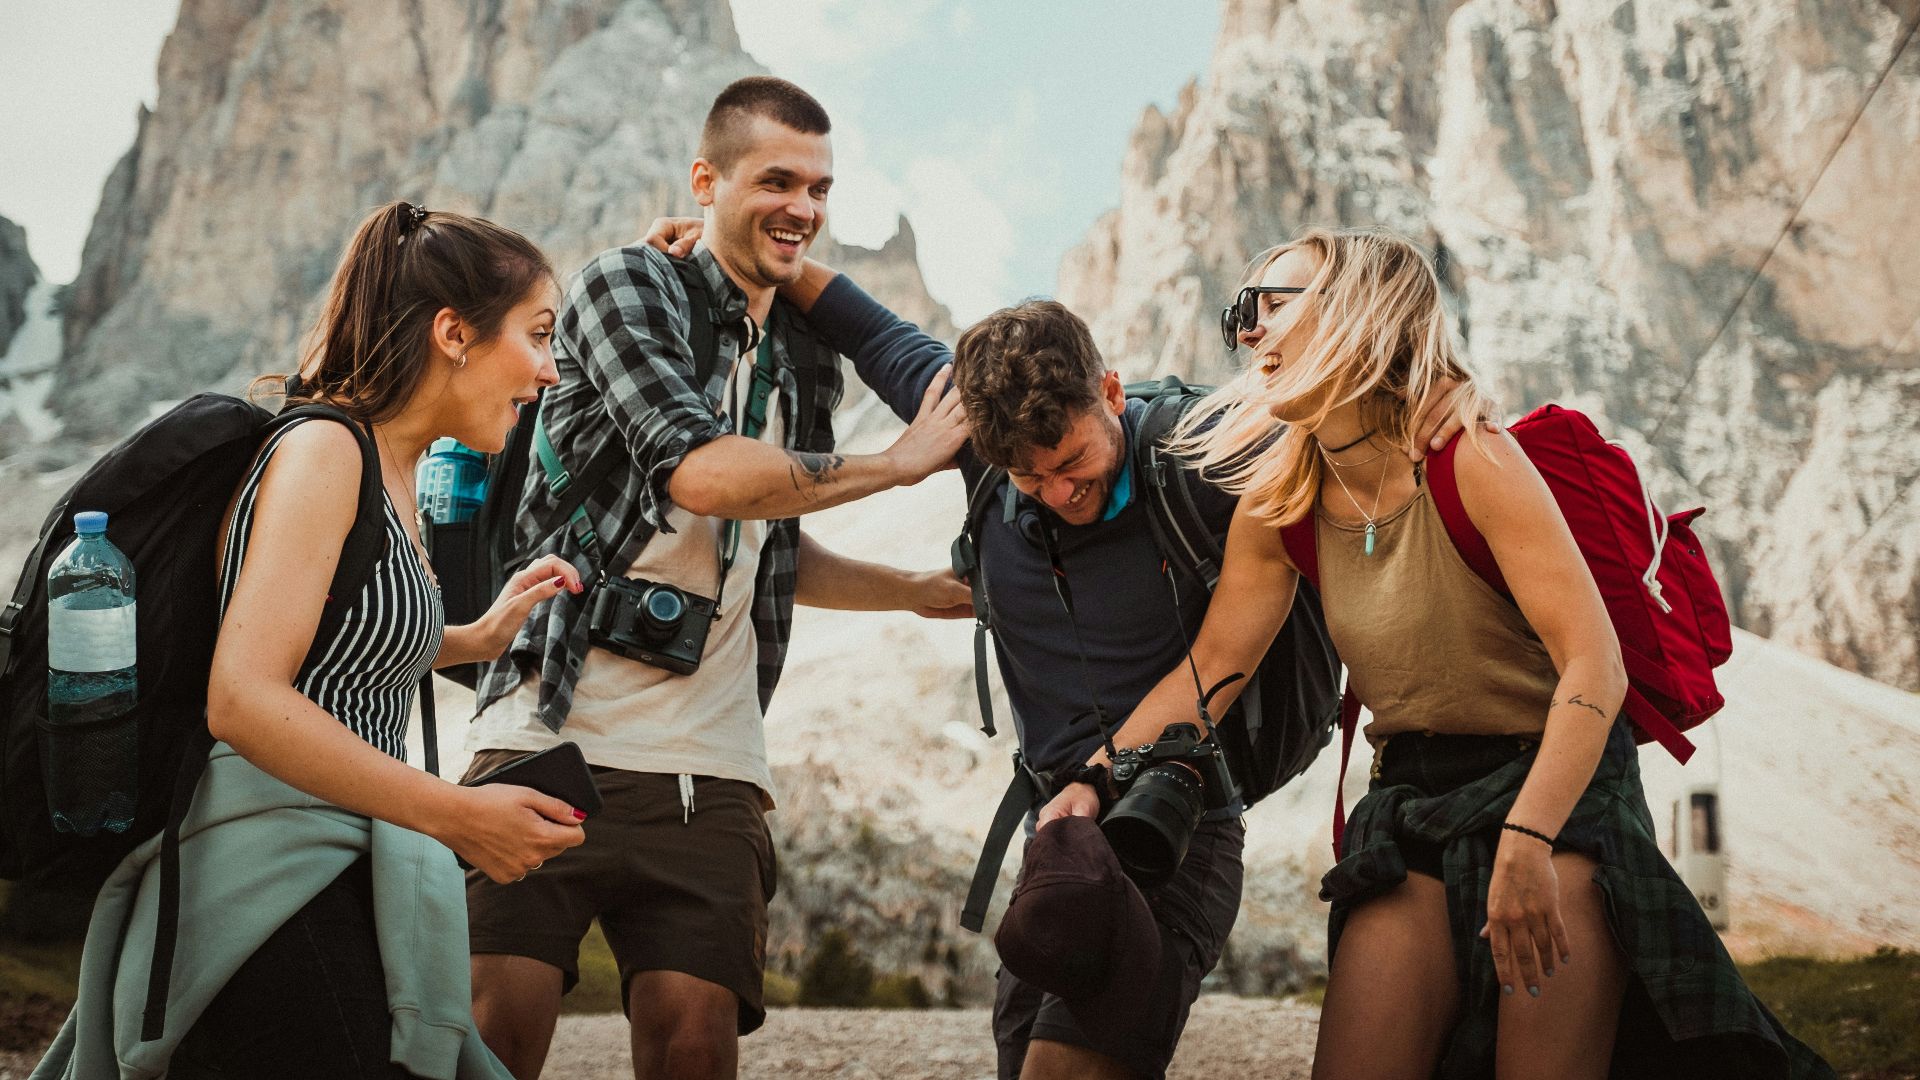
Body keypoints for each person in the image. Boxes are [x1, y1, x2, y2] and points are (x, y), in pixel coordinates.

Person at [641, 215, 1471, 1080]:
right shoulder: (982, 446)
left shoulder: (1201, 457)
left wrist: (1436, 396)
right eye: (1030, 478)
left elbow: (1345, 436)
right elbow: (863, 325)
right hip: (1062, 837)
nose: (1060, 492)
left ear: (1111, 392)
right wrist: (728, 238)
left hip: (1173, 823)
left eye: (1072, 461)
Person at [1063, 226, 1833, 1079]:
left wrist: (1531, 837)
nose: (1247, 331)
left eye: (1272, 305)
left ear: (1362, 311)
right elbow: (1211, 671)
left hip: (1556, 788)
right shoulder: (1280, 502)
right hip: (1410, 801)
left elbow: (1595, 667)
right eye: (1240, 312)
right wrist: (1093, 778)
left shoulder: (1473, 461)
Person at [462, 77, 971, 1080]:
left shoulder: (807, 355)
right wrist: (896, 465)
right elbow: (699, 473)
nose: (805, 207)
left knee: (696, 1046)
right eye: (777, 179)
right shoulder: (624, 287)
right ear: (706, 179)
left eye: (821, 188)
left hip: (715, 762)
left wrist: (911, 590)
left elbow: (771, 543)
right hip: (550, 727)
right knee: (491, 1036)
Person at [35, 201, 591, 1080]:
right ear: (453, 332)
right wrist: (458, 817)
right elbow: (245, 695)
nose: (551, 371)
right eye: (537, 335)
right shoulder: (328, 450)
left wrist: (475, 635)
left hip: (343, 854)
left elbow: (333, 637)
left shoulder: (395, 470)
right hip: (269, 870)